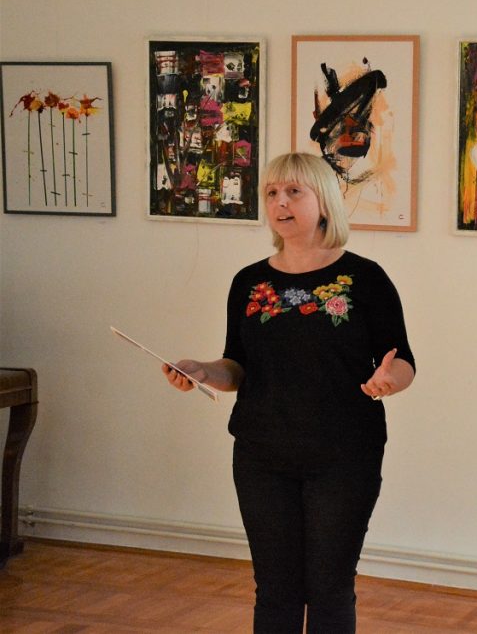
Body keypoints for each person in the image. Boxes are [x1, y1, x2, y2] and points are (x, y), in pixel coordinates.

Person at [163, 152, 415, 633]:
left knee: (329, 588)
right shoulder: (248, 282)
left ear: (324, 202)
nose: (281, 202)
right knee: (275, 590)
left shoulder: (366, 279)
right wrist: (203, 371)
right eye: (272, 193)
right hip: (262, 456)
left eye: (294, 191)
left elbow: (402, 360)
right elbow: (237, 365)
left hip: (344, 456)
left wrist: (389, 381)